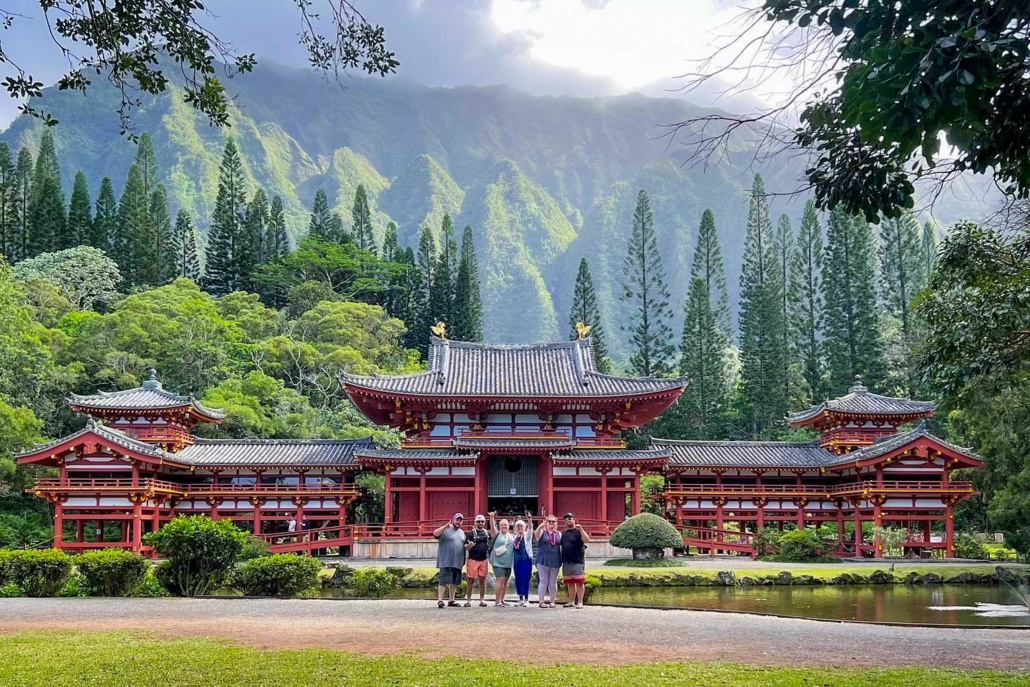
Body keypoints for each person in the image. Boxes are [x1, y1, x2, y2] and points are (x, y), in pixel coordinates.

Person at [432, 513, 466, 608]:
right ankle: (440, 600)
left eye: (460, 520)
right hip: (446, 560)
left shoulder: (462, 532)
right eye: (457, 520)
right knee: (443, 581)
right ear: (453, 520)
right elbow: (435, 533)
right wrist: (445, 526)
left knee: (454, 582)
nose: (458, 522)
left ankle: (451, 600)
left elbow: (463, 546)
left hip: (457, 561)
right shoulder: (446, 530)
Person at [561, 512, 591, 608]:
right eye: (565, 520)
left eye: (569, 519)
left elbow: (587, 540)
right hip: (566, 560)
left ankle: (580, 602)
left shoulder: (578, 531)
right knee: (570, 583)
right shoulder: (564, 533)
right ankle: (571, 601)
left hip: (577, 560)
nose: (568, 521)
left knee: (579, 582)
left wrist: (581, 530)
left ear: (574, 519)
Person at [533, 511, 562, 608]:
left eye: (553, 521)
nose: (551, 523)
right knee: (543, 580)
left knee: (553, 581)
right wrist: (540, 526)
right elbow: (536, 536)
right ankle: (541, 601)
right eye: (549, 521)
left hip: (555, 560)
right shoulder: (543, 532)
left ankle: (552, 600)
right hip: (543, 560)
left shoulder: (559, 534)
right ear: (546, 522)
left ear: (556, 523)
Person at [488, 512, 515, 606]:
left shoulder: (511, 536)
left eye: (505, 525)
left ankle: (502, 599)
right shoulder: (496, 534)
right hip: (498, 562)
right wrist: (491, 517)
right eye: (502, 525)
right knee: (500, 580)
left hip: (508, 562)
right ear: (499, 526)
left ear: (508, 526)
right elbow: (492, 527)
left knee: (505, 581)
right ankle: (497, 601)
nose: (504, 526)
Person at [464, 514, 491, 607]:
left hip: (483, 559)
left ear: (484, 523)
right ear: (475, 522)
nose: (480, 523)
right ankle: (468, 600)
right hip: (473, 559)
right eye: (478, 521)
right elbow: (465, 547)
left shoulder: (487, 533)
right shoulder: (471, 534)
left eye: (482, 521)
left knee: (482, 580)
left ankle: (482, 600)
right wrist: (469, 546)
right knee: (470, 580)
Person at [511, 514, 534, 606]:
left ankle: (527, 599)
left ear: (524, 527)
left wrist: (529, 519)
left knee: (526, 578)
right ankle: (520, 598)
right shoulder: (514, 538)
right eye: (518, 526)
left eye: (521, 526)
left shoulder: (527, 536)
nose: (520, 528)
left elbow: (530, 530)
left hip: (526, 560)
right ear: (516, 528)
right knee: (518, 578)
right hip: (517, 561)